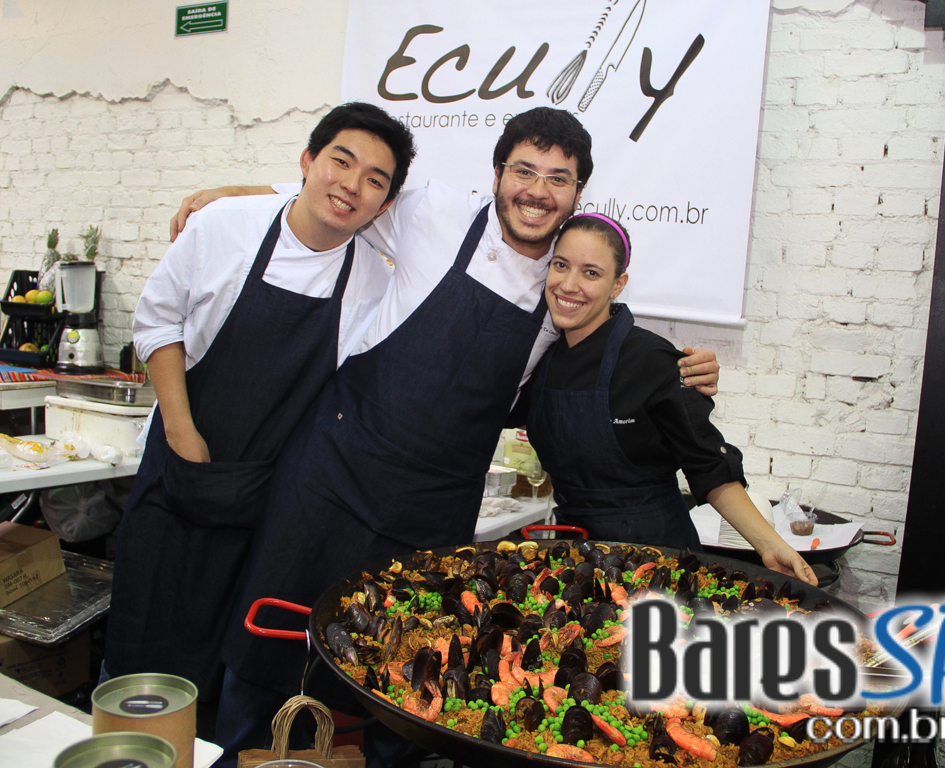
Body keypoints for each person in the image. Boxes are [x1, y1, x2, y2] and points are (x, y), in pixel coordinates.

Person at [168, 108, 722, 766]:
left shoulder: (561, 289)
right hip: (333, 476)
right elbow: (340, 199)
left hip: (431, 511)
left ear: (578, 193)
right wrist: (229, 195)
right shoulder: (436, 213)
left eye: (558, 179)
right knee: (271, 647)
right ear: (497, 173)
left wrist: (687, 370)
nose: (537, 191)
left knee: (410, 677)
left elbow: (615, 348)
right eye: (523, 171)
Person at [103, 103, 417, 701]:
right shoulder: (225, 225)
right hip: (180, 471)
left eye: (375, 180)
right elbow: (157, 321)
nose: (352, 185)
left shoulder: (374, 281)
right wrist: (181, 433)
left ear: (384, 205)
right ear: (307, 160)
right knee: (141, 650)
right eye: (340, 161)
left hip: (268, 499)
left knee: (226, 665)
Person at [524, 212, 816, 580]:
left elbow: (709, 467)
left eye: (591, 273)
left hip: (655, 558)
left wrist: (770, 546)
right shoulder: (542, 360)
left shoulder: (652, 361)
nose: (568, 285)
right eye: (560, 265)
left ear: (618, 284)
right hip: (574, 556)